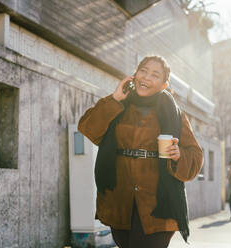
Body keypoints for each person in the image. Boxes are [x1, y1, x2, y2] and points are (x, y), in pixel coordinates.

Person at [78, 55, 203, 248]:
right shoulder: (118, 105)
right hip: (120, 201)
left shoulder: (175, 114)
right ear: (134, 75)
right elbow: (88, 128)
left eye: (154, 74)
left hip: (159, 206)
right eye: (143, 71)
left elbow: (195, 156)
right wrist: (114, 99)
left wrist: (179, 155)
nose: (146, 77)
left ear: (164, 85)